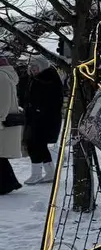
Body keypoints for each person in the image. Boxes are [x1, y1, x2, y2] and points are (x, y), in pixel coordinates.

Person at [23, 54, 64, 185]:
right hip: (37, 118)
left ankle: (37, 173)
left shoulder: (47, 79)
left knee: (34, 144)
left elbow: (52, 101)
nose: (33, 70)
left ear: (41, 67)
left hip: (43, 119)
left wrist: (38, 110)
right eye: (32, 67)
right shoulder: (39, 78)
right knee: (39, 145)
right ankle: (49, 172)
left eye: (35, 67)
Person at [0, 49, 24, 195]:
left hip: (3, 124)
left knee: (0, 156)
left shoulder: (1, 77)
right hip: (4, 124)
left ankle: (7, 184)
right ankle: (9, 183)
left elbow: (3, 102)